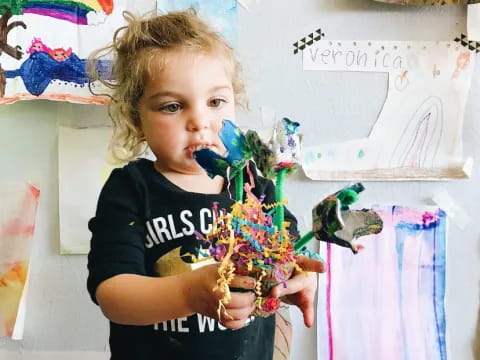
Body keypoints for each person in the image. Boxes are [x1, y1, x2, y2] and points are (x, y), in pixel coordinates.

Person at [86, 9, 325, 360]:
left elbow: (288, 261)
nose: (200, 121)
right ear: (137, 119)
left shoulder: (257, 188)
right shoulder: (130, 189)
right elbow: (113, 295)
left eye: (215, 102)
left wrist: (298, 280)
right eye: (172, 106)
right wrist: (186, 294)